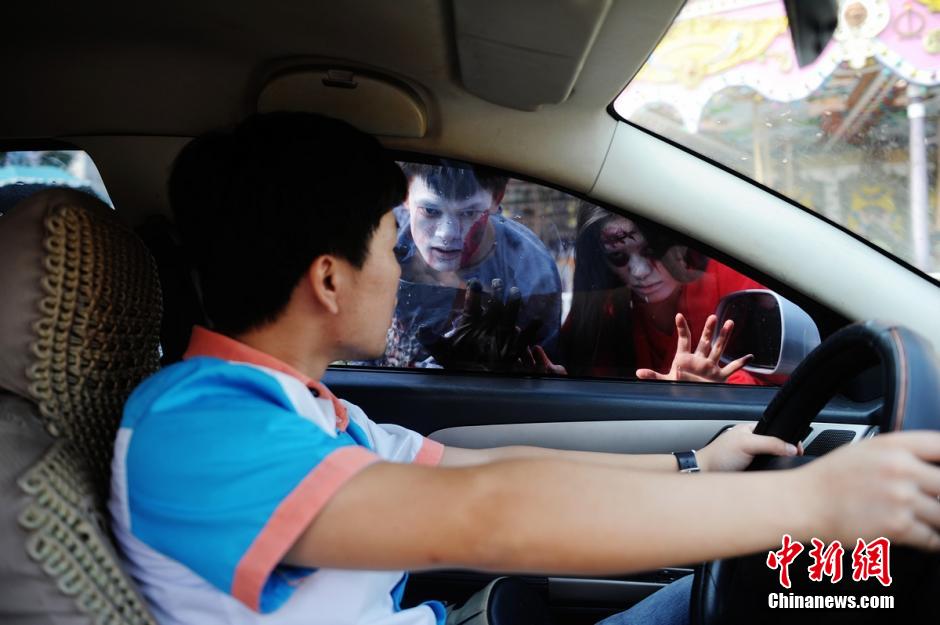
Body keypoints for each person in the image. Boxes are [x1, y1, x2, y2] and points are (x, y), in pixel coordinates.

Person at [109, 112, 940, 625]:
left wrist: (697, 461)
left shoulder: (311, 414)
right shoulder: (196, 427)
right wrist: (809, 501)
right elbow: (485, 512)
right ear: (329, 278)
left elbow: (488, 469)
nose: (404, 266)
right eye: (391, 243)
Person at [558, 204, 766, 384]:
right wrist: (560, 382)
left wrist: (721, 387)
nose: (639, 271)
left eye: (651, 250)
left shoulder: (735, 281)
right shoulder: (602, 309)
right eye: (618, 256)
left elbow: (779, 385)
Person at [382, 163, 562, 367]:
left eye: (468, 213)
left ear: (496, 198)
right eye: (431, 211)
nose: (447, 234)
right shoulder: (382, 242)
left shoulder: (531, 271)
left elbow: (542, 368)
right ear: (406, 194)